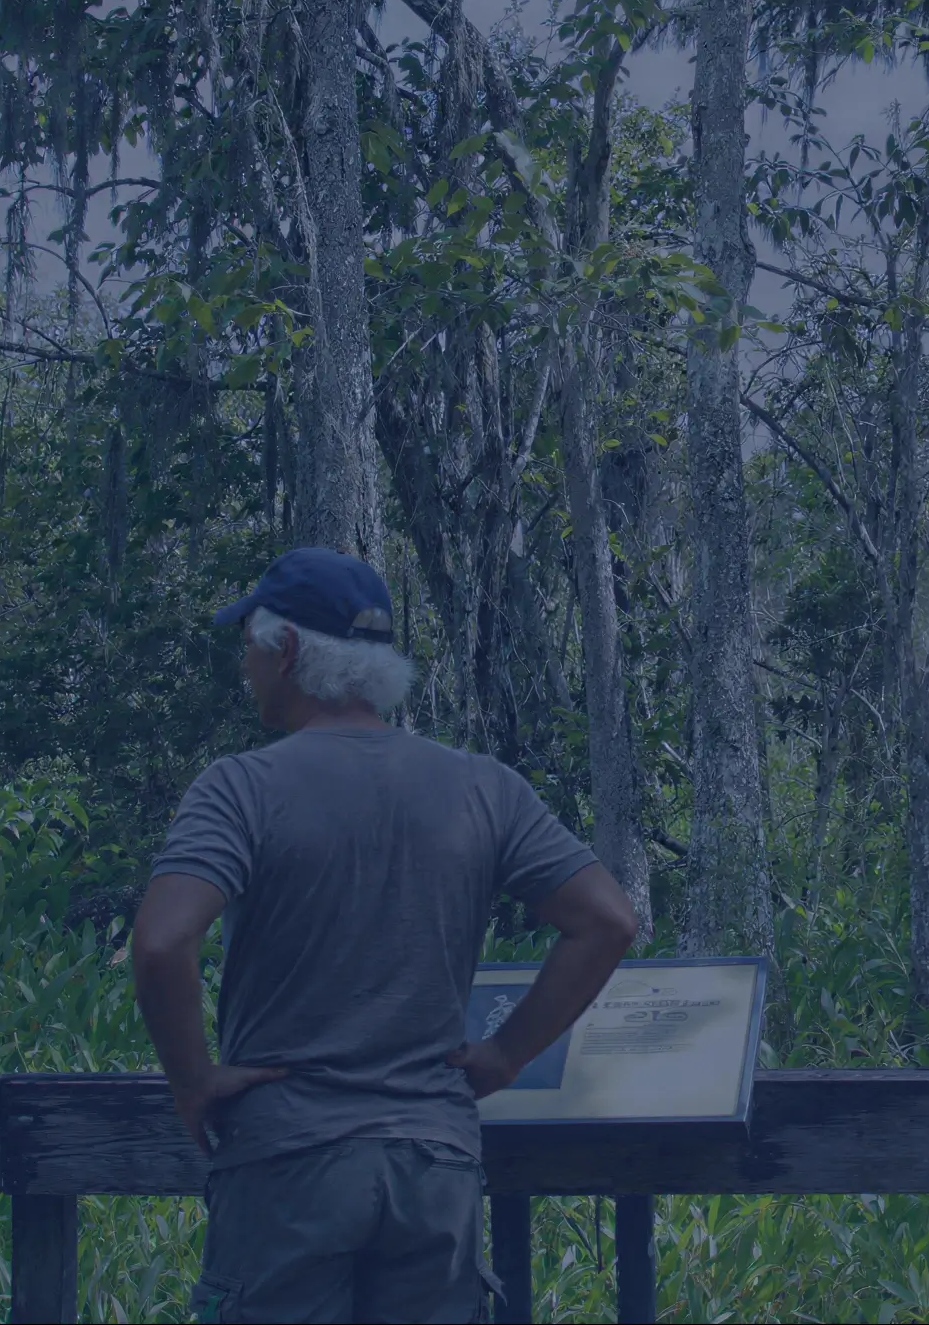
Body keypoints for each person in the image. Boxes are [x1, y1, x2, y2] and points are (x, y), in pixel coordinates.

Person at [131, 547, 640, 1324]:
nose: (246, 664)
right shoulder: (484, 787)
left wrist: (192, 1080)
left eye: (251, 645)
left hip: (287, 1163)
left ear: (288, 650)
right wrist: (505, 1054)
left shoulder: (240, 788)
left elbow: (163, 942)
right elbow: (607, 919)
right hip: (432, 1164)